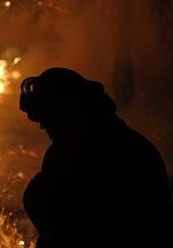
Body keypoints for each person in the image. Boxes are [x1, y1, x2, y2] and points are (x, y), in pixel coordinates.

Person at [19, 68, 173, 247]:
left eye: (48, 117)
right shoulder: (69, 149)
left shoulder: (117, 153)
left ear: (67, 111)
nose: (43, 125)